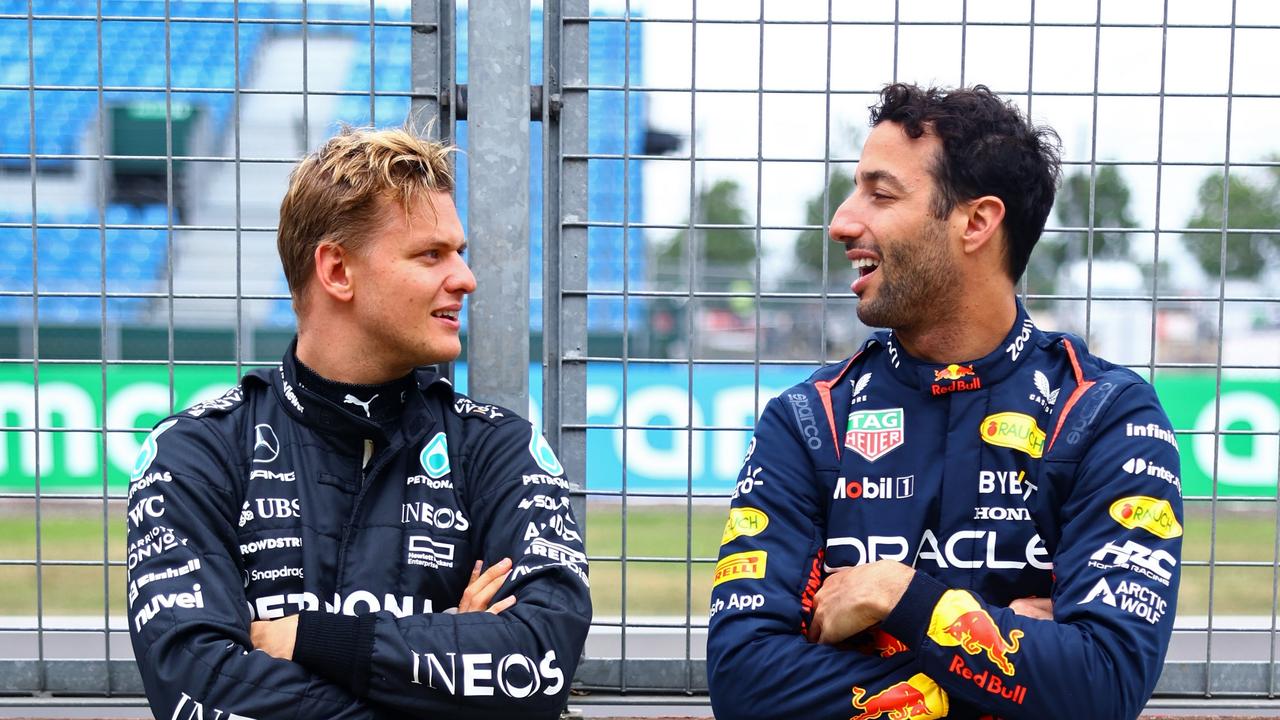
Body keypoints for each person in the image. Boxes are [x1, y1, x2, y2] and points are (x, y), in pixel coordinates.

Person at [707, 84, 1182, 720]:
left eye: (881, 193)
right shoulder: (807, 421)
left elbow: (1101, 687)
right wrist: (1002, 659)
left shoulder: (1106, 417)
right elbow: (746, 686)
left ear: (977, 222)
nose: (843, 222)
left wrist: (895, 594)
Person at [126, 127, 590, 720]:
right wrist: (443, 672)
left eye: (460, 253)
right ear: (337, 271)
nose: (466, 279)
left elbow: (537, 663)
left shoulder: (501, 449)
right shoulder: (197, 453)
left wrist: (305, 639)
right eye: (431, 254)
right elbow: (198, 684)